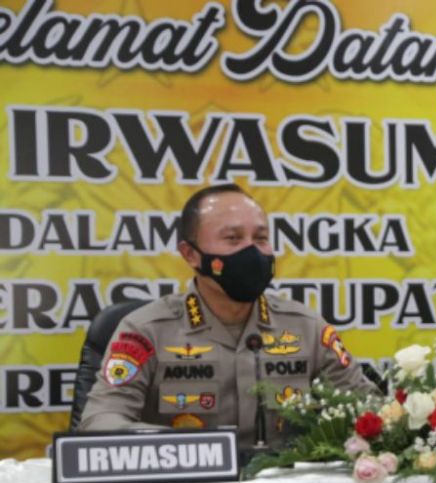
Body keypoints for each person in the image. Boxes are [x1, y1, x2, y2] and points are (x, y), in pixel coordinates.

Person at [79, 184, 377, 448]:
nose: (252, 252)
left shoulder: (306, 328)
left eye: (260, 238)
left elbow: (370, 411)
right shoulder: (146, 330)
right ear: (190, 254)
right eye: (233, 239)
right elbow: (100, 421)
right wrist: (188, 449)